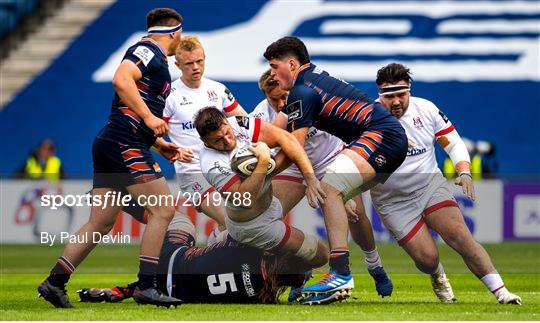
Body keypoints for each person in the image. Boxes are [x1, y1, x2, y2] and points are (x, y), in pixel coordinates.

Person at [38, 8, 184, 308]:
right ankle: (146, 286)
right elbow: (121, 79)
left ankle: (54, 282)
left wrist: (158, 143)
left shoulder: (155, 57)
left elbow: (129, 106)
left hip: (114, 141)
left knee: (101, 222)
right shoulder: (148, 50)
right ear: (174, 33)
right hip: (123, 142)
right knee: (163, 211)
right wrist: (149, 118)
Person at [349, 62, 520, 304]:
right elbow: (351, 159)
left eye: (401, 95)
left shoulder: (426, 109)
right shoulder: (366, 118)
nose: (396, 102)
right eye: (389, 97)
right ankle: (437, 274)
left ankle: (502, 292)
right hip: (392, 201)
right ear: (379, 95)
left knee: (461, 237)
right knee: (426, 260)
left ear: (409, 90)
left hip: (429, 186)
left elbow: (454, 143)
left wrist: (464, 172)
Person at [264, 36, 407, 300]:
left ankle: (340, 274)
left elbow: (294, 146)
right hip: (385, 138)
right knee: (336, 194)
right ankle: (352, 271)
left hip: (380, 136)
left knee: (329, 190)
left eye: (274, 66)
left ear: (292, 64)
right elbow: (273, 133)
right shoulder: (309, 83)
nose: (271, 74)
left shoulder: (301, 90)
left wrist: (265, 171)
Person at [195, 107, 328, 273]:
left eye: (227, 133)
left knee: (293, 147)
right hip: (253, 226)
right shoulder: (211, 163)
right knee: (321, 255)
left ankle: (227, 241)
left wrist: (310, 178)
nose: (227, 141)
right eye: (218, 141)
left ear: (225, 122)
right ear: (205, 141)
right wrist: (264, 160)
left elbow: (286, 139)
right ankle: (282, 275)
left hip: (271, 204)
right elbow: (245, 200)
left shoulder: (237, 123)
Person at [77, 214, 316, 304]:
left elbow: (227, 233)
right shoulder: (261, 298)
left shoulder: (251, 248)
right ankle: (124, 290)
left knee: (175, 217)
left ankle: (123, 198)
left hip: (172, 259)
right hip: (174, 291)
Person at [163, 35, 247, 243]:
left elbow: (244, 121)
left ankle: (207, 267)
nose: (196, 67)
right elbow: (151, 131)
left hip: (222, 167)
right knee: (231, 222)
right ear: (178, 64)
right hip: (192, 172)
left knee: (229, 226)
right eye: (189, 63)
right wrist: (170, 149)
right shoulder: (170, 95)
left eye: (199, 61)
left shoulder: (217, 90)